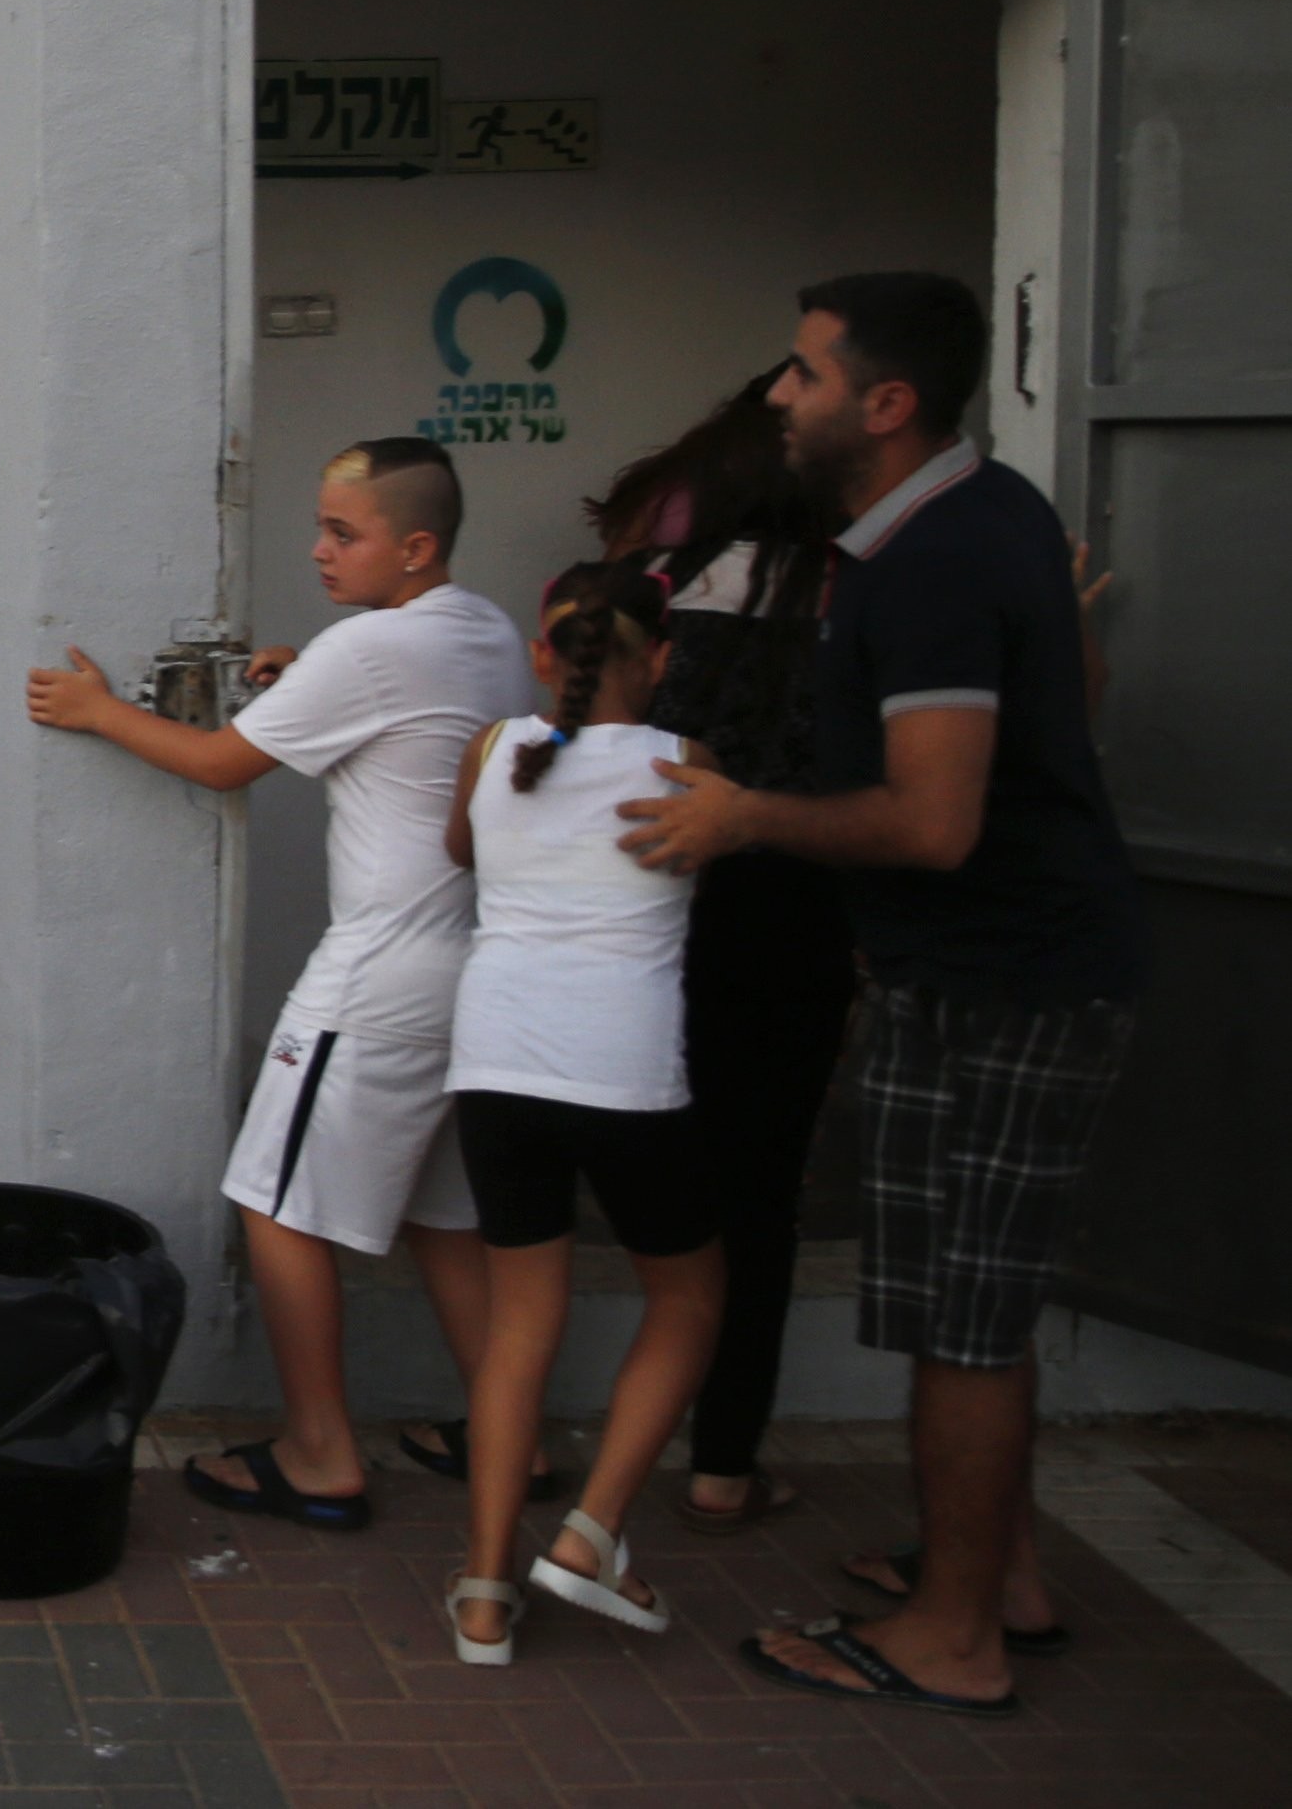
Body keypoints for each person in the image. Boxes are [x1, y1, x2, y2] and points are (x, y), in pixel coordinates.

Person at [623, 272, 1143, 1721]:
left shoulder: (929, 562)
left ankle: (953, 1636)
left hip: (1003, 985)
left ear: (887, 402)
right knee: (962, 1306)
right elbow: (1073, 695)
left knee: (962, 1318)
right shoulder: (991, 512)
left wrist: (743, 815)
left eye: (803, 374)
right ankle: (999, 1575)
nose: (778, 398)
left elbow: (932, 823)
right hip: (982, 970)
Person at [29, 437, 536, 1528]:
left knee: (273, 1202)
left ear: (415, 547)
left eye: (343, 534)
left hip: (379, 979)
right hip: (475, 969)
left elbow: (223, 764)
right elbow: (408, 708)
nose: (318, 550)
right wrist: (306, 672)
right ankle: (510, 1435)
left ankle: (319, 1453)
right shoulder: (483, 630)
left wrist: (96, 710)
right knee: (445, 1217)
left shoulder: (369, 649)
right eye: (320, 528)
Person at [439, 561, 725, 1664]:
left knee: (519, 1326)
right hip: (622, 1071)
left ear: (541, 656)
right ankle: (589, 1534)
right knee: (689, 1297)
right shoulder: (687, 762)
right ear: (660, 660)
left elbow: (461, 850)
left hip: (495, 1060)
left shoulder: (490, 751)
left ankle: (482, 1595)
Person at [586, 375, 855, 1534]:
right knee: (759, 1199)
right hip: (798, 922)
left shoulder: (658, 600)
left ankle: (577, 1440)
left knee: (653, 1180)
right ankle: (721, 1465)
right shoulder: (859, 597)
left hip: (653, 918)